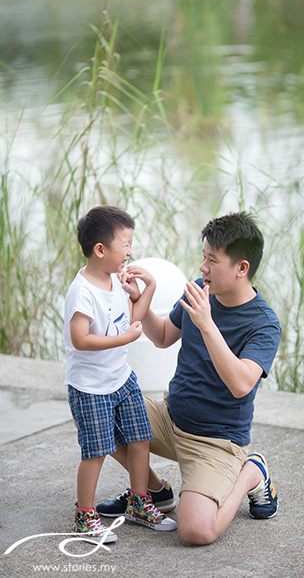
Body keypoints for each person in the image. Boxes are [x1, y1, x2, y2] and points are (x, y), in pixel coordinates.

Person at [95, 211, 282, 545]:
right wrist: (141, 297)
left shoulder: (263, 324)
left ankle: (251, 470)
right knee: (96, 410)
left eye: (212, 260)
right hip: (171, 419)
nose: (203, 268)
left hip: (216, 442)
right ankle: (155, 491)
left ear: (242, 268)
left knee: (196, 531)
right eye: (203, 257)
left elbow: (241, 384)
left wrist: (208, 324)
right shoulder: (199, 290)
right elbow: (164, 335)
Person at [65, 205, 177, 544]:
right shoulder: (83, 291)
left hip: (121, 378)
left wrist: (149, 289)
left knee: (140, 439)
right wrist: (124, 338)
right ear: (100, 250)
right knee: (96, 451)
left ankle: (140, 502)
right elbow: (80, 339)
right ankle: (85, 516)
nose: (131, 251)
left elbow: (130, 321)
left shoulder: (116, 279)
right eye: (125, 244)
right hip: (91, 387)